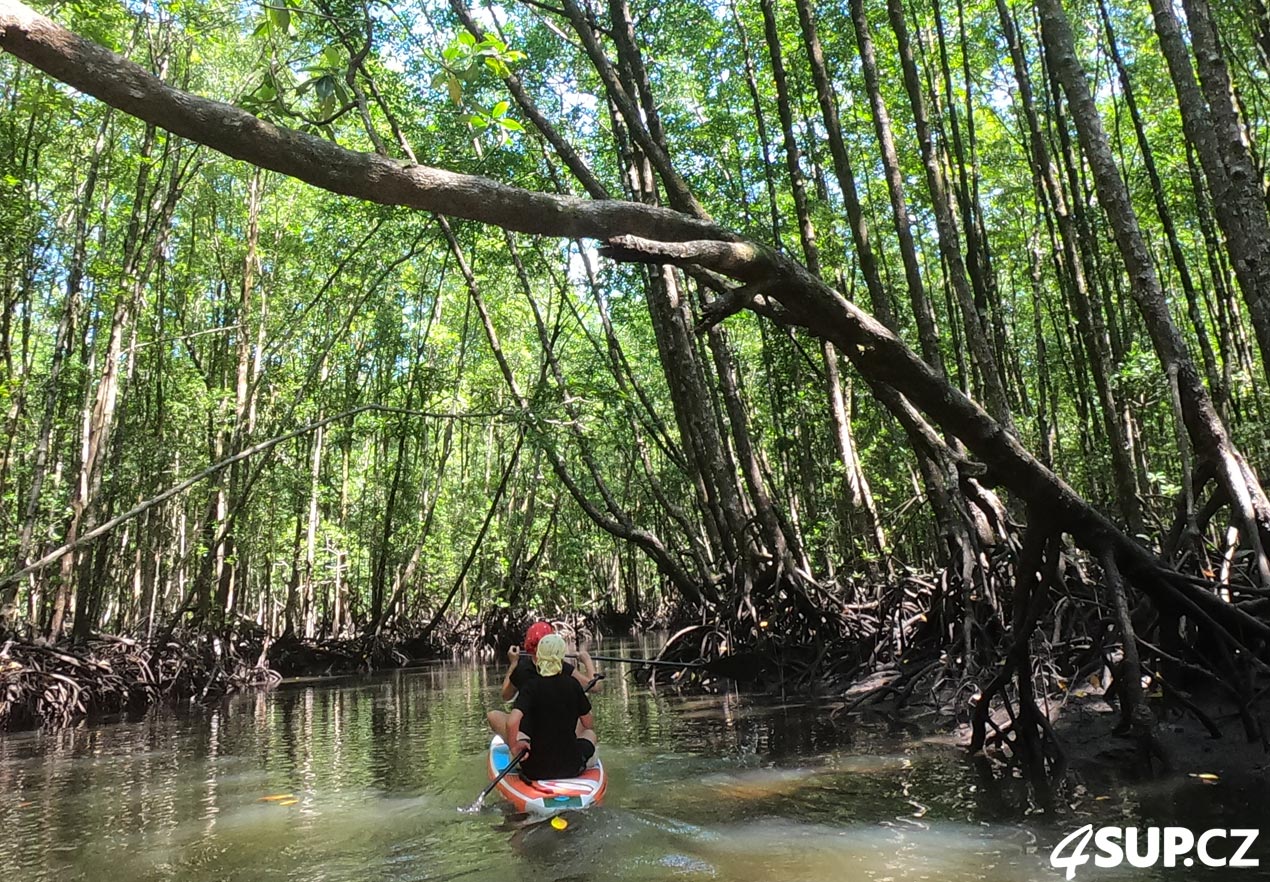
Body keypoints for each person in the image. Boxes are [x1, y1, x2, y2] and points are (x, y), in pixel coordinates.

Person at [487, 620, 600, 741]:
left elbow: (506, 695)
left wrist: (513, 663)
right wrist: (587, 660)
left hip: (529, 733)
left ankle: (518, 746)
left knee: (493, 715)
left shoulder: (521, 670)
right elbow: (595, 687)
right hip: (558, 730)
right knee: (586, 722)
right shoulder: (563, 669)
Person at [506, 633, 596, 779]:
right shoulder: (573, 684)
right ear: (560, 657)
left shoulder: (530, 686)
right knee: (590, 734)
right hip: (570, 767)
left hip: (534, 769)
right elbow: (588, 723)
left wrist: (514, 747)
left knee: (522, 737)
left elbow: (512, 722)